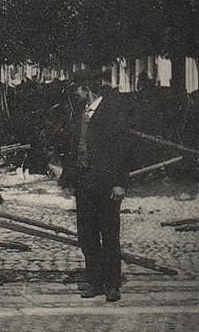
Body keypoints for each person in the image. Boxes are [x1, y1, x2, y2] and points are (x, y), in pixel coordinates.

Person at [60, 70, 134, 302]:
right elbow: (75, 148)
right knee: (87, 235)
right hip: (84, 184)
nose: (75, 93)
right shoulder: (81, 113)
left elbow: (122, 151)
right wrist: (69, 179)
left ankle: (112, 284)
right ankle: (94, 281)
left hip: (106, 185)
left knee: (109, 235)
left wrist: (120, 184)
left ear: (86, 89)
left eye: (77, 88)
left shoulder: (113, 112)